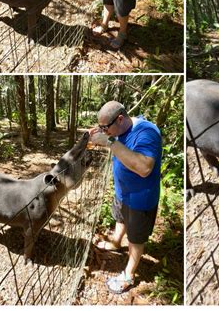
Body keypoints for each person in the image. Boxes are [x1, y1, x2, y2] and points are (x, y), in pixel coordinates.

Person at [89, 101, 162, 294]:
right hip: (123, 192)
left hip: (141, 199)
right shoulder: (119, 131)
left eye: (105, 127)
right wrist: (103, 135)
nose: (104, 131)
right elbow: (120, 148)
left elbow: (145, 168)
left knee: (136, 238)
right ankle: (115, 242)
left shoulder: (147, 133)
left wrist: (110, 142)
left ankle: (129, 274)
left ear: (120, 118)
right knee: (120, 217)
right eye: (101, 127)